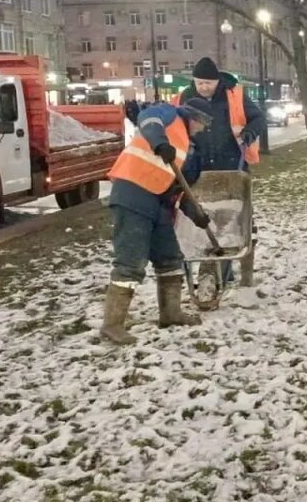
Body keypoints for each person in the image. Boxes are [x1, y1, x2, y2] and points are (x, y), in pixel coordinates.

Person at [100, 98, 216, 345]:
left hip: (158, 203)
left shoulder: (186, 145)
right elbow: (147, 119)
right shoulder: (168, 115)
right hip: (132, 195)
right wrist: (160, 143)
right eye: (203, 124)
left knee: (170, 259)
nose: (203, 129)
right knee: (130, 262)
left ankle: (170, 313)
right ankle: (112, 324)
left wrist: (197, 215)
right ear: (195, 118)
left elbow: (176, 187)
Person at [172, 56, 267, 172]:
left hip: (232, 161)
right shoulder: (183, 98)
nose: (204, 87)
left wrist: (249, 132)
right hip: (197, 164)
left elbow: (259, 118)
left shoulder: (234, 95)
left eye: (208, 83)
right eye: (200, 83)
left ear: (217, 81)